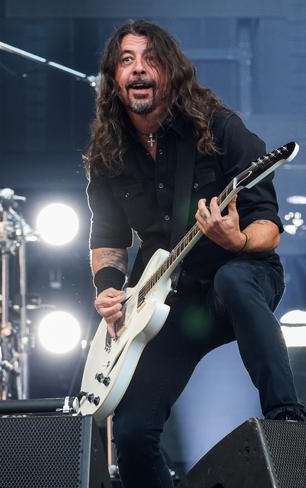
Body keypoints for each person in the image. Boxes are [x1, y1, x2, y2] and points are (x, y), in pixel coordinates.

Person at [85, 20, 305, 488]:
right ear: (114, 78)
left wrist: (237, 241)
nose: (139, 70)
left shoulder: (220, 128)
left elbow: (269, 228)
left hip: (239, 275)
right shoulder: (109, 154)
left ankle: (287, 425)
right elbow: (107, 238)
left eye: (151, 60)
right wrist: (108, 289)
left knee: (234, 280)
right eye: (127, 61)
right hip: (167, 305)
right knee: (131, 434)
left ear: (171, 72)